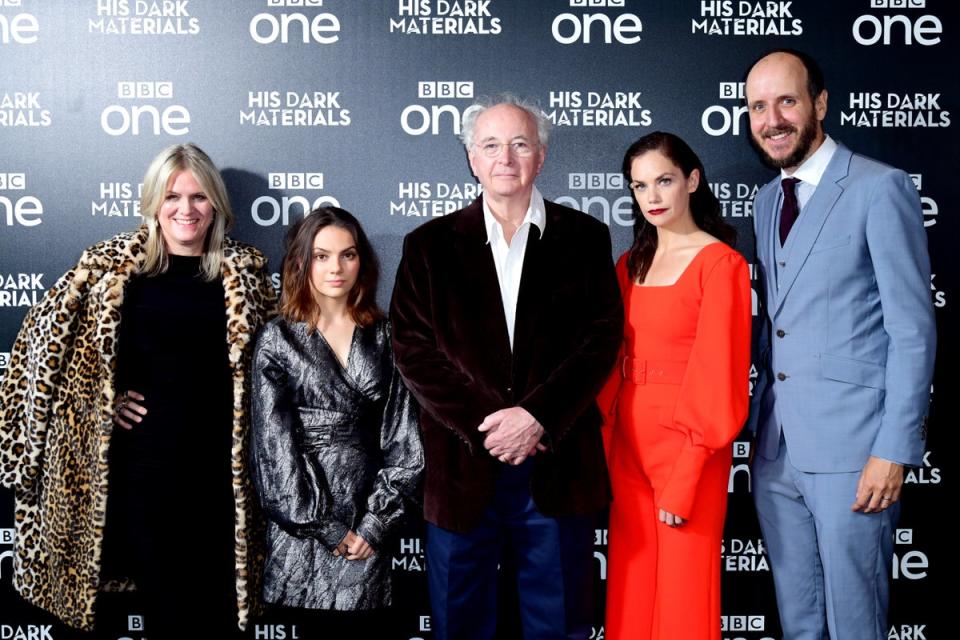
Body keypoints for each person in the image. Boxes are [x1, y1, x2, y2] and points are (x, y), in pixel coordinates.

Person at [0, 143, 276, 636]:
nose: (186, 209)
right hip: (148, 476)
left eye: (199, 197)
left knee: (221, 618)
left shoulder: (248, 279)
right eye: (172, 196)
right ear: (153, 203)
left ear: (216, 204)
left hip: (225, 482)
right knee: (168, 617)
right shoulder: (110, 274)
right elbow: (37, 358)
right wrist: (99, 403)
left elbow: (280, 371)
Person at [390, 93, 622, 639]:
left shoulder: (585, 238)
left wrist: (536, 416)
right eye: (491, 145)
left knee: (559, 622)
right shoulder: (427, 246)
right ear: (472, 158)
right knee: (460, 623)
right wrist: (492, 425)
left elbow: (600, 340)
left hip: (557, 465)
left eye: (520, 144)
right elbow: (413, 349)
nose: (506, 158)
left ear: (541, 156)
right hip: (463, 466)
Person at [745, 49, 936, 639]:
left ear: (820, 104)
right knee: (800, 623)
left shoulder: (880, 188)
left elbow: (912, 329)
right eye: (757, 106)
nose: (771, 119)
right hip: (775, 451)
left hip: (855, 453)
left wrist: (894, 449)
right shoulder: (766, 200)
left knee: (856, 623)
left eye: (787, 101)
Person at [597, 132, 751, 639]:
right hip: (627, 445)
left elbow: (719, 375)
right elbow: (608, 364)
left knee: (685, 592)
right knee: (630, 585)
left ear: (692, 180)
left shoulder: (721, 264)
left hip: (690, 449)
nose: (653, 197)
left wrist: (687, 470)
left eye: (664, 180)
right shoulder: (629, 264)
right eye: (640, 186)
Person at [249, 207, 423, 635]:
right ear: (302, 261)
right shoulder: (278, 339)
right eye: (322, 256)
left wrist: (373, 524)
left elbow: (407, 444)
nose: (336, 268)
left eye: (347, 255)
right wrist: (327, 529)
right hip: (301, 534)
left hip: (371, 525)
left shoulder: (385, 336)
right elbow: (272, 454)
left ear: (362, 261)